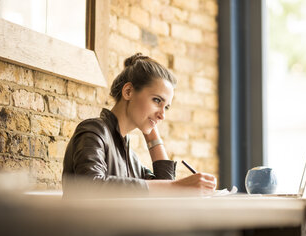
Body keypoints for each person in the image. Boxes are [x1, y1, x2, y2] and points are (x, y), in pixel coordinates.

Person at [62, 53, 217, 197]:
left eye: (166, 107)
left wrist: (152, 135)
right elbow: (91, 187)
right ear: (128, 91)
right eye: (157, 100)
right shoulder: (93, 132)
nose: (163, 115)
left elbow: (165, 196)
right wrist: (177, 186)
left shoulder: (129, 156)